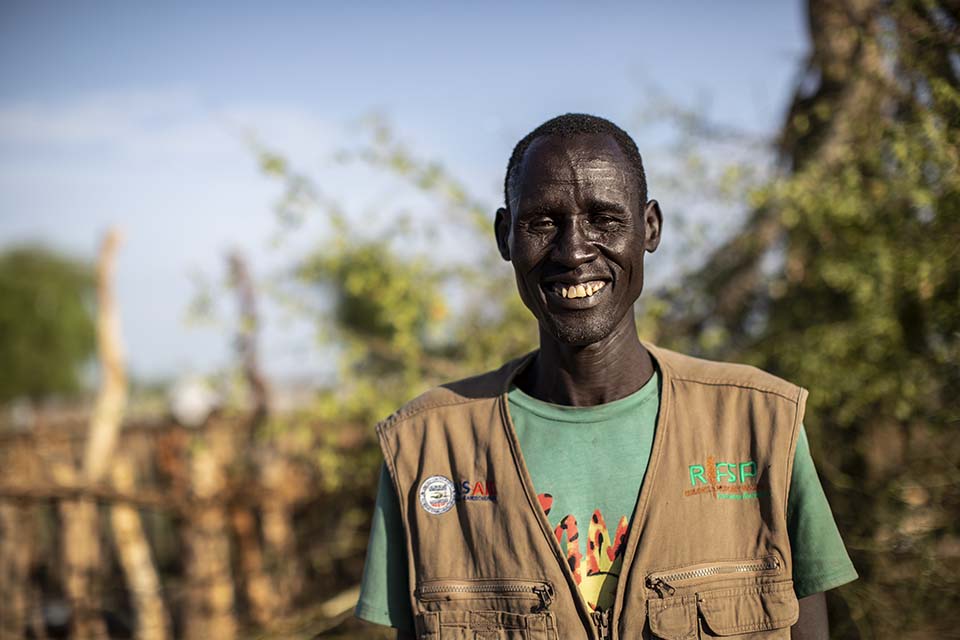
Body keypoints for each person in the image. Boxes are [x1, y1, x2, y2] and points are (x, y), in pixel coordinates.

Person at [355, 114, 857, 639]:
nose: (573, 251)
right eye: (543, 223)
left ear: (650, 228)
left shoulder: (760, 424)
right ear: (506, 236)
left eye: (604, 220)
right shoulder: (426, 447)